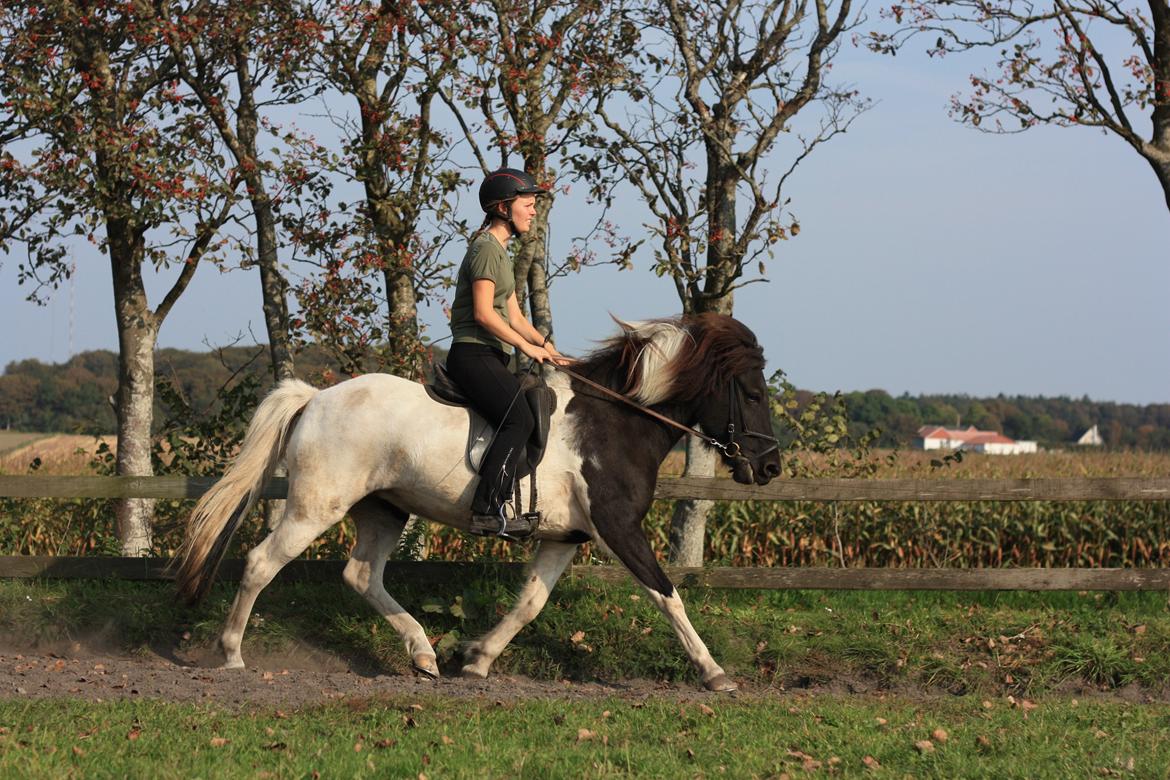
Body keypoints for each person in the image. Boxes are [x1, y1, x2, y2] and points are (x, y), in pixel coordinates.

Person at [446, 167, 570, 538]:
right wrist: (526, 347)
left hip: (491, 356)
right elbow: (484, 314)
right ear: (503, 208)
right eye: (528, 205)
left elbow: (514, 315)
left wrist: (552, 351)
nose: (533, 212)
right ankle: (486, 509)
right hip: (473, 354)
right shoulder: (485, 249)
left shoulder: (501, 252)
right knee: (519, 419)